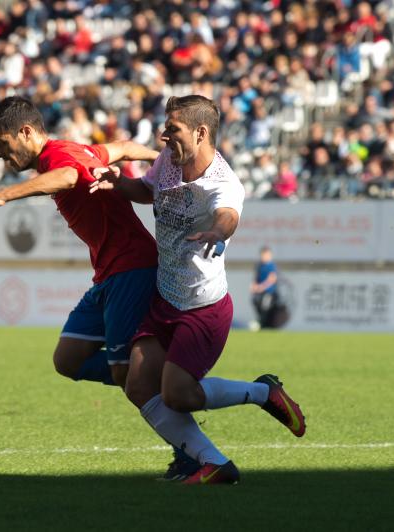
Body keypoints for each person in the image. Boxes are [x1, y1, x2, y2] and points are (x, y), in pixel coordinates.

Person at [0, 97, 198, 478]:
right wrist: (167, 159)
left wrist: (1, 196)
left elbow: (70, 177)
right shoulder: (77, 148)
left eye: (3, 147)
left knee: (130, 379)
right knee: (68, 359)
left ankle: (189, 449)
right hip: (110, 274)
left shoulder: (60, 156)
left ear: (26, 132)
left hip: (131, 267)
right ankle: (156, 376)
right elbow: (122, 149)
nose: (1, 157)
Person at [91, 95, 306, 485]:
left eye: (172, 129)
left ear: (201, 132)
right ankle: (214, 463)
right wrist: (119, 185)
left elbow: (228, 215)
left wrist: (218, 232)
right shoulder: (167, 163)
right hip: (164, 298)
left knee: (178, 395)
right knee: (137, 383)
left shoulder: (222, 183)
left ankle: (263, 393)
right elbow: (147, 190)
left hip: (203, 309)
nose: (162, 136)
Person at [251, 246, 279, 329]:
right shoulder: (259, 266)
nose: (265, 257)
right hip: (260, 292)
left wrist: (261, 287)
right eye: (263, 255)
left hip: (269, 292)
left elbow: (272, 279)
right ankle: (262, 324)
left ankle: (264, 325)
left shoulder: (271, 266)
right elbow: (256, 278)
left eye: (267, 255)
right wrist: (254, 286)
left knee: (265, 307)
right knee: (255, 302)